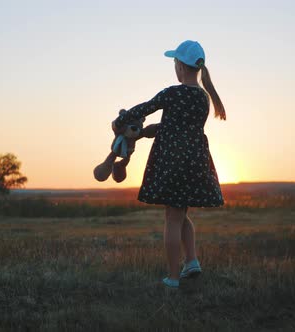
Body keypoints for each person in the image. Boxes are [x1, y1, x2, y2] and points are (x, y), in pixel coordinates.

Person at [111, 40, 226, 289]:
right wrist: (149, 131)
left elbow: (145, 108)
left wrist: (121, 120)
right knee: (181, 213)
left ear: (180, 67)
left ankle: (173, 278)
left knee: (172, 219)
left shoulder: (172, 93)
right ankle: (192, 261)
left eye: (174, 63)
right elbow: (179, 126)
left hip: (172, 162)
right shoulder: (203, 98)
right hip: (195, 161)